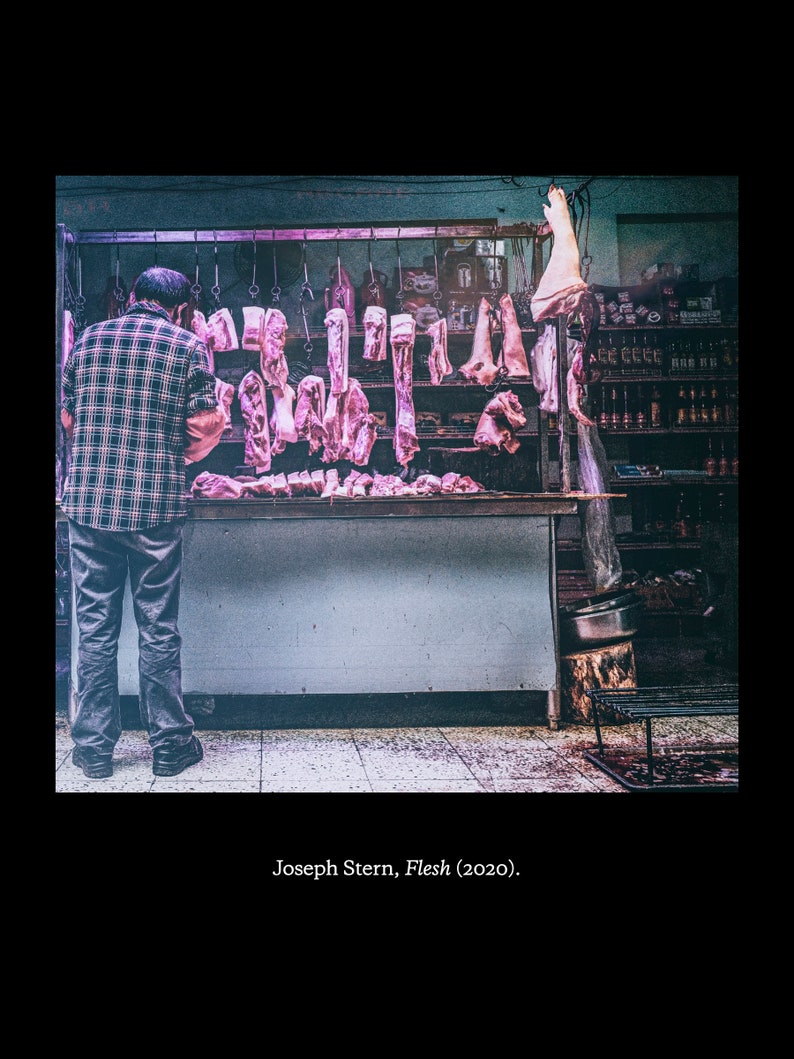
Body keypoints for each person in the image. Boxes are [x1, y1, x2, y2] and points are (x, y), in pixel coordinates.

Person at [60, 266, 226, 779]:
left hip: (88, 508)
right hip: (154, 507)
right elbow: (201, 426)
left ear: (132, 298)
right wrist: (177, 452)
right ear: (180, 309)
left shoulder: (87, 340)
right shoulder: (185, 346)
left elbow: (67, 417)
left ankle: (92, 750)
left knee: (94, 628)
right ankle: (171, 746)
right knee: (157, 627)